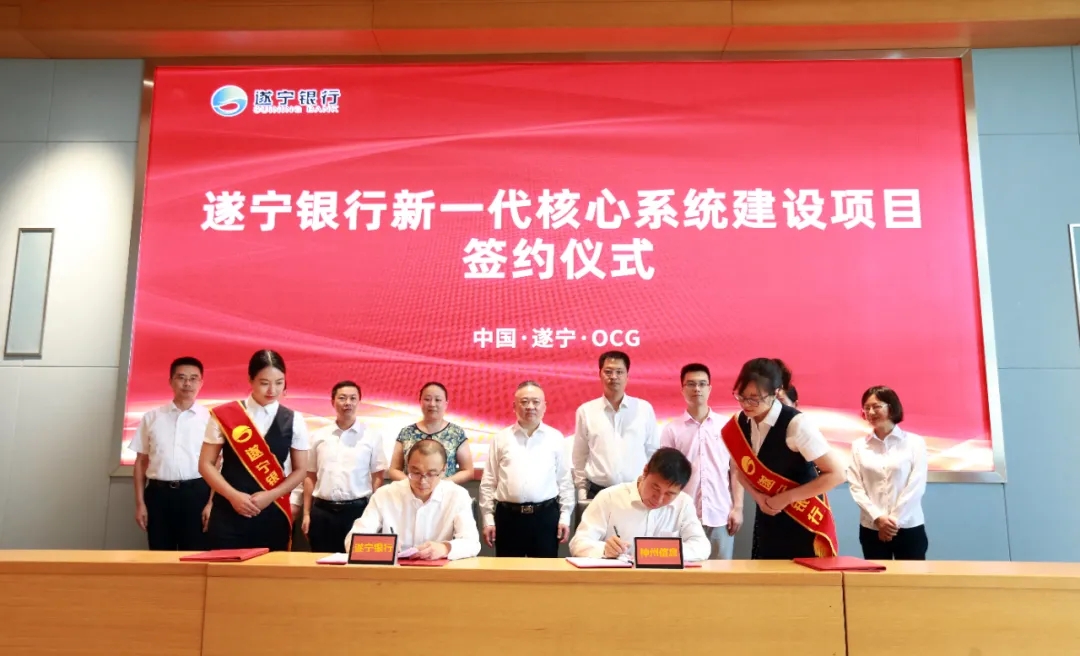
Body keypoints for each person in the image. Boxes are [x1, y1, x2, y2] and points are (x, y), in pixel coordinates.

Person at [721, 358, 844, 560]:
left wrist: (786, 498)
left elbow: (837, 475)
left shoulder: (796, 424)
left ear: (776, 393)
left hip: (802, 519)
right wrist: (758, 497)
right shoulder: (741, 422)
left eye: (755, 398)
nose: (746, 404)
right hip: (768, 516)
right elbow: (740, 470)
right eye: (741, 396)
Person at [199, 350, 309, 551]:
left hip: (273, 510)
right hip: (229, 511)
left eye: (279, 383)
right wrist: (233, 496)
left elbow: (301, 470)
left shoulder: (294, 420)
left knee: (269, 569)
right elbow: (206, 464)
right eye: (264, 383)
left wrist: (271, 495)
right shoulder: (226, 415)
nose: (272, 390)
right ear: (250, 380)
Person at [479, 381, 574, 558]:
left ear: (545, 406)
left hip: (545, 517)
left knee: (544, 573)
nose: (530, 406)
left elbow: (564, 481)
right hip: (508, 518)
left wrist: (565, 517)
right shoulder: (501, 438)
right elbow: (488, 482)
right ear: (514, 406)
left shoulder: (556, 438)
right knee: (508, 572)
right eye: (524, 402)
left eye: (536, 402)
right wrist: (488, 520)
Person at [660, 363, 744, 560]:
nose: (696, 389)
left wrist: (738, 508)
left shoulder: (728, 426)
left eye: (702, 384)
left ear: (709, 388)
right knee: (684, 573)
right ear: (682, 389)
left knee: (721, 574)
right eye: (691, 384)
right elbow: (665, 475)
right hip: (682, 516)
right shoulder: (671, 430)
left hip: (721, 515)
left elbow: (736, 470)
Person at [346, 439, 480, 560]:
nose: (422, 481)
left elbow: (472, 543)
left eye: (431, 474)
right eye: (415, 472)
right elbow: (352, 541)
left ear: (444, 470)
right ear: (407, 466)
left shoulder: (457, 495)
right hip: (393, 573)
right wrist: (383, 546)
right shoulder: (385, 494)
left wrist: (445, 548)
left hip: (438, 572)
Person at [569, 448, 710, 561]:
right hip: (616, 582)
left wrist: (662, 553)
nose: (659, 499)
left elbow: (702, 546)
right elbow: (578, 543)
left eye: (669, 494)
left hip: (664, 583)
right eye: (655, 488)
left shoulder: (683, 503)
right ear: (645, 471)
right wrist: (604, 549)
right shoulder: (609, 498)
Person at [131, 356, 213, 551]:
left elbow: (218, 464)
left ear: (201, 382)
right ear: (170, 381)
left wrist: (211, 503)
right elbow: (141, 462)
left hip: (197, 494)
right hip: (158, 495)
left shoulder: (210, 419)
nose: (187, 384)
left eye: (193, 378)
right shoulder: (152, 417)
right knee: (159, 555)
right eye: (181, 377)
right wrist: (140, 504)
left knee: (193, 556)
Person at [303, 381, 388, 553]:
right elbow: (310, 477)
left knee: (357, 562)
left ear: (359, 402)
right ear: (332, 402)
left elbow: (377, 478)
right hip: (322, 512)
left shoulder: (372, 436)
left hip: (358, 511)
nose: (347, 403)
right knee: (321, 561)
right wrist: (306, 514)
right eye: (342, 398)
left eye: (352, 398)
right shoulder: (318, 436)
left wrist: (375, 514)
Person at [847, 386, 929, 560]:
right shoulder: (858, 446)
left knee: (912, 576)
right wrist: (878, 518)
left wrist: (893, 521)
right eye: (867, 408)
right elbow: (856, 487)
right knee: (877, 576)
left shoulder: (915, 443)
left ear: (891, 407)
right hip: (872, 527)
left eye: (876, 406)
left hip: (908, 526)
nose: (871, 412)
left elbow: (916, 485)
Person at [572, 350, 660, 502]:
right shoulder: (586, 411)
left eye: (619, 372)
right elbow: (580, 455)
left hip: (636, 491)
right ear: (600, 374)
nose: (613, 376)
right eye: (608, 372)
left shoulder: (644, 409)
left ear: (627, 376)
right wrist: (581, 491)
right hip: (597, 493)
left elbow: (652, 452)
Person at [389, 382, 474, 485]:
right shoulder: (406, 432)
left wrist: (441, 485)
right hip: (410, 492)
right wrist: (412, 483)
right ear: (420, 402)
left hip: (444, 492)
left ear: (446, 404)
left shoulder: (456, 433)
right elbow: (394, 469)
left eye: (438, 400)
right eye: (427, 399)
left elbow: (468, 471)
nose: (432, 404)